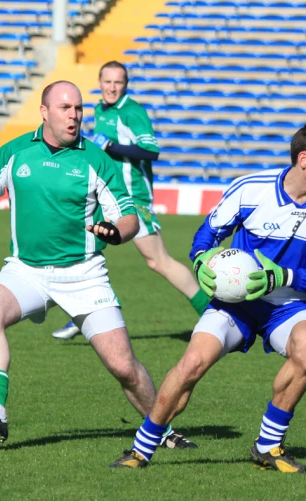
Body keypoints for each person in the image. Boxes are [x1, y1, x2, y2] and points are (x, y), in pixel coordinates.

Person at [0, 81, 195, 449]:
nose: (74, 116)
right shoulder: (15, 152)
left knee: (123, 366)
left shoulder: (96, 160)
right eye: (65, 108)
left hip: (83, 273)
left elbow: (129, 218)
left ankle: (162, 431)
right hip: (26, 270)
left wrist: (115, 232)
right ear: (44, 112)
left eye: (79, 108)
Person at [110, 123, 306, 474]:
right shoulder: (251, 188)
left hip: (290, 305)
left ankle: (268, 446)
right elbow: (208, 232)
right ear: (304, 159)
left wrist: (284, 276)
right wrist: (200, 261)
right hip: (236, 301)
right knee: (193, 364)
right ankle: (140, 450)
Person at [52, 60, 210, 340]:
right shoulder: (99, 110)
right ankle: (85, 314)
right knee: (81, 251)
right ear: (99, 83)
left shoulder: (132, 111)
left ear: (125, 85)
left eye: (118, 82)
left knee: (158, 261)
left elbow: (151, 152)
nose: (112, 87)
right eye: (107, 82)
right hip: (104, 195)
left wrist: (111, 146)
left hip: (132, 199)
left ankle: (212, 314)